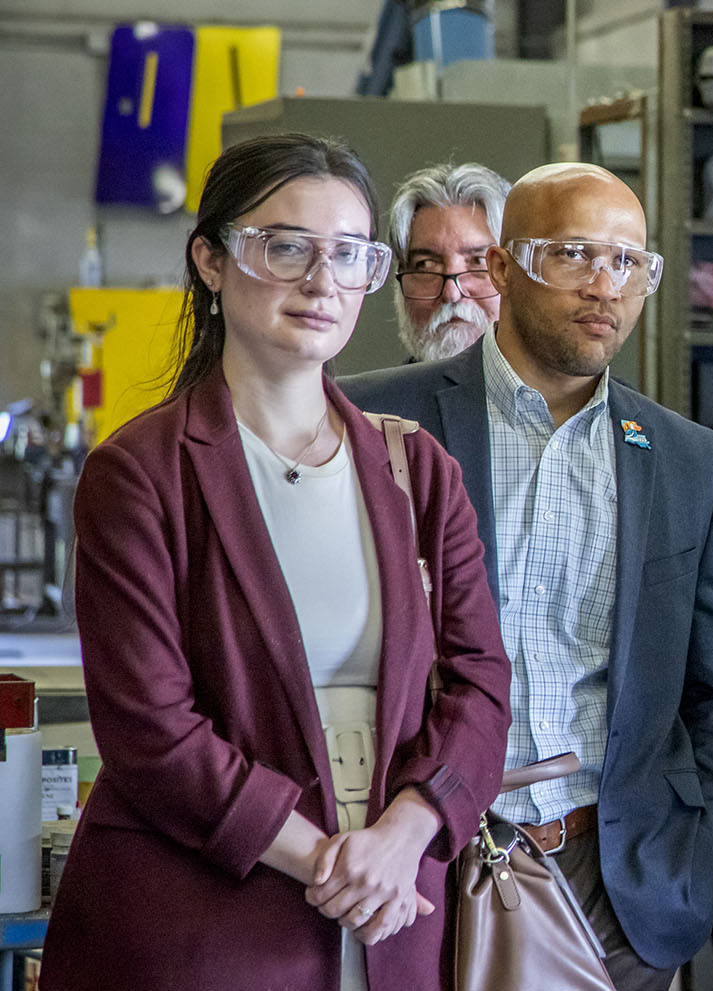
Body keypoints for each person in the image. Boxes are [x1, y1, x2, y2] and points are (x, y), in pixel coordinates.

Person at [41, 133, 512, 991]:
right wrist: (335, 862)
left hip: (394, 923)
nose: (321, 280)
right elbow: (152, 732)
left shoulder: (417, 470)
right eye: (285, 246)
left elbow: (481, 685)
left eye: (349, 254)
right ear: (211, 260)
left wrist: (408, 834)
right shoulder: (142, 474)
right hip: (202, 929)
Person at [342, 162, 713, 989]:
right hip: (424, 867)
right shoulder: (375, 420)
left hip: (618, 886)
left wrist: (693, 852)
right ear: (502, 268)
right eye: (572, 254)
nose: (605, 285)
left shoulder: (686, 458)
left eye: (628, 262)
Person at [388, 161, 510, 362]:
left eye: (479, 261)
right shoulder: (374, 394)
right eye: (426, 265)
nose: (451, 294)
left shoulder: (570, 393)